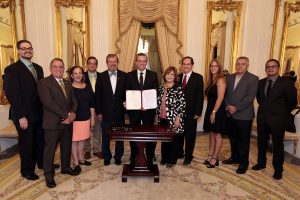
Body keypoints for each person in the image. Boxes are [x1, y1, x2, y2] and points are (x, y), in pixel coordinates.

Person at [5, 40, 44, 180]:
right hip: (23, 115)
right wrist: (21, 116)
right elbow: (13, 94)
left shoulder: (38, 68)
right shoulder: (12, 70)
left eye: (29, 48)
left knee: (40, 140)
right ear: (19, 51)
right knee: (27, 143)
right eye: (24, 48)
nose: (27, 50)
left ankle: (42, 163)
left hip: (38, 113)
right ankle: (27, 170)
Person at [251, 59, 297, 180]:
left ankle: (278, 169)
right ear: (265, 69)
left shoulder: (286, 83)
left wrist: (281, 112)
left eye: (273, 66)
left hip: (278, 120)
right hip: (262, 119)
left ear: (278, 68)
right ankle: (261, 163)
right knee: (261, 143)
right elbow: (260, 100)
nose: (270, 69)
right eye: (268, 67)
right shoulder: (261, 83)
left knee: (277, 145)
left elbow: (292, 102)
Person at [38, 58, 78, 188]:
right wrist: (66, 115)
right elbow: (49, 103)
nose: (58, 69)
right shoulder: (43, 83)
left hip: (68, 123)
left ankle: (65, 168)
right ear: (50, 68)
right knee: (50, 151)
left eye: (61, 67)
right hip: (52, 123)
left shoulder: (67, 82)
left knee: (66, 147)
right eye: (55, 67)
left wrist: (72, 115)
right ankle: (49, 176)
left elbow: (74, 101)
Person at [223, 56, 259, 174]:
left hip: (244, 115)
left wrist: (236, 108)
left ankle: (244, 163)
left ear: (247, 65)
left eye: (243, 64)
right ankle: (235, 157)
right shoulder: (229, 77)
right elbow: (225, 94)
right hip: (230, 114)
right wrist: (228, 106)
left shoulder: (253, 78)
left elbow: (250, 97)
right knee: (233, 138)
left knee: (243, 141)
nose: (240, 66)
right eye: (238, 64)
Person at [126, 53, 159, 165]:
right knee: (133, 134)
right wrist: (126, 102)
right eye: (139, 61)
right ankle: (134, 155)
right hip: (134, 112)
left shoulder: (153, 75)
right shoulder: (129, 75)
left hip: (148, 112)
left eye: (144, 61)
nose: (141, 63)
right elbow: (126, 92)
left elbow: (155, 93)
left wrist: (148, 105)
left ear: (147, 62)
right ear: (136, 62)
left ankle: (149, 156)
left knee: (149, 134)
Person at [95, 54, 126, 166]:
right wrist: (99, 112)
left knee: (120, 136)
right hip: (105, 112)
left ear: (117, 63)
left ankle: (118, 157)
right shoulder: (101, 76)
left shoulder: (124, 75)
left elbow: (126, 94)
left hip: (119, 112)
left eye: (114, 61)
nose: (112, 63)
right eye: (110, 61)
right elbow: (97, 96)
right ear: (107, 63)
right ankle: (107, 156)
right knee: (106, 136)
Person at [157, 66, 185, 168]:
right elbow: (158, 103)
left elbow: (181, 105)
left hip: (173, 119)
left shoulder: (178, 88)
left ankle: (171, 160)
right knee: (164, 140)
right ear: (165, 75)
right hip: (162, 118)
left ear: (175, 76)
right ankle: (164, 158)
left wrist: (178, 119)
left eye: (172, 74)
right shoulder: (161, 87)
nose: (169, 76)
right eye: (168, 74)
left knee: (173, 140)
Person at [177, 56, 204, 165]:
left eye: (188, 64)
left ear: (192, 65)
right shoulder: (177, 77)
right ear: (181, 65)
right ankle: (179, 152)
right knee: (179, 134)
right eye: (184, 64)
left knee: (190, 136)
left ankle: (188, 156)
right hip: (178, 113)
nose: (186, 66)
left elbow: (200, 96)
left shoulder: (198, 78)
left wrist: (198, 112)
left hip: (192, 112)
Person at [70, 66, 95, 174]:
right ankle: (75, 162)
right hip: (74, 119)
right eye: (75, 73)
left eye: (79, 73)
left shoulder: (87, 86)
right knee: (74, 141)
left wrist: (92, 117)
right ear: (71, 75)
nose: (78, 75)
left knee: (82, 140)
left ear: (82, 74)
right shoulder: (69, 87)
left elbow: (92, 103)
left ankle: (81, 159)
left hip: (85, 118)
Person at [203, 59, 226, 168]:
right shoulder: (210, 80)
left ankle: (215, 157)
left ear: (219, 68)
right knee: (211, 133)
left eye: (216, 66)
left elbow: (220, 98)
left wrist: (213, 112)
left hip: (217, 110)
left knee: (217, 134)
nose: (213, 68)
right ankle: (210, 154)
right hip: (210, 109)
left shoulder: (220, 80)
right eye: (211, 66)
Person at [84, 57, 103, 159]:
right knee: (86, 130)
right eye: (90, 63)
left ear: (97, 65)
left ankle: (96, 149)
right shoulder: (81, 76)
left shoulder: (102, 76)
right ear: (87, 64)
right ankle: (87, 150)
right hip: (85, 109)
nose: (92, 65)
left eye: (94, 64)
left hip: (98, 108)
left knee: (98, 130)